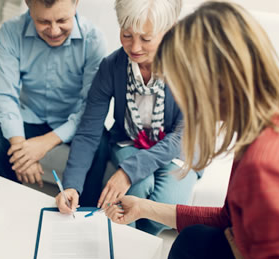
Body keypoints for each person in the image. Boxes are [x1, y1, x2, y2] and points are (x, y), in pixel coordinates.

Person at [105, 1, 279, 259]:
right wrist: (144, 208)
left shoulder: (266, 165)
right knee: (193, 241)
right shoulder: (259, 131)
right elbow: (227, 220)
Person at [56, 0, 199, 236]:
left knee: (162, 211)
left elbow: (183, 135)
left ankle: (137, 246)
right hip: (130, 142)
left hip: (179, 150)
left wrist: (127, 171)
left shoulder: (191, 68)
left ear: (170, 29)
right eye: (127, 34)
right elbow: (89, 130)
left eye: (146, 38)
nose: (134, 47)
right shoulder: (111, 66)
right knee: (132, 194)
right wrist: (71, 186)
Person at [0, 0, 107, 189]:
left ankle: (84, 210)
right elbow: (5, 95)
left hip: (72, 119)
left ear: (75, 3)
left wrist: (43, 144)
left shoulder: (93, 40)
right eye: (43, 22)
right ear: (28, 5)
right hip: (31, 114)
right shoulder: (11, 31)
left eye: (62, 20)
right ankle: (9, 203)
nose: (54, 31)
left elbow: (91, 106)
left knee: (100, 143)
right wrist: (22, 150)